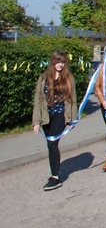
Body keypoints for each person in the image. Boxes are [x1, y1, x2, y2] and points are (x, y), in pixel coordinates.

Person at [32, 50, 77, 191]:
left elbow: (72, 99)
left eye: (62, 62)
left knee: (53, 144)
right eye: (58, 62)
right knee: (50, 145)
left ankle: (55, 177)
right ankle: (54, 173)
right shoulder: (43, 78)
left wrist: (72, 119)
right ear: (53, 62)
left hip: (60, 116)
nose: (60, 65)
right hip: (46, 116)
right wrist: (36, 121)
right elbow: (38, 100)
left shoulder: (68, 78)